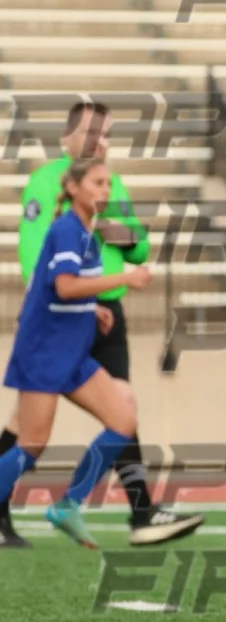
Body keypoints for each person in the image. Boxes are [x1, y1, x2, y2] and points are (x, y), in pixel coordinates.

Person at [0, 101, 203, 549]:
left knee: (122, 413)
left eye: (108, 135)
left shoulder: (99, 206)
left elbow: (137, 243)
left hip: (88, 319)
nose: (103, 144)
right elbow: (50, 272)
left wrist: (95, 298)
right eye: (94, 134)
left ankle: (103, 507)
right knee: (31, 439)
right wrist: (114, 282)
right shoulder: (55, 200)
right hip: (54, 331)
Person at [0, 158, 153, 548]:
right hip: (45, 351)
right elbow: (65, 286)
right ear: (73, 188)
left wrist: (93, 308)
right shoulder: (68, 229)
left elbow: (65, 290)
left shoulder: (86, 232)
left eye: (109, 184)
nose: (106, 190)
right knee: (31, 445)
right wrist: (125, 277)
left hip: (71, 349)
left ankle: (68, 505)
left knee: (123, 421)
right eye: (98, 183)